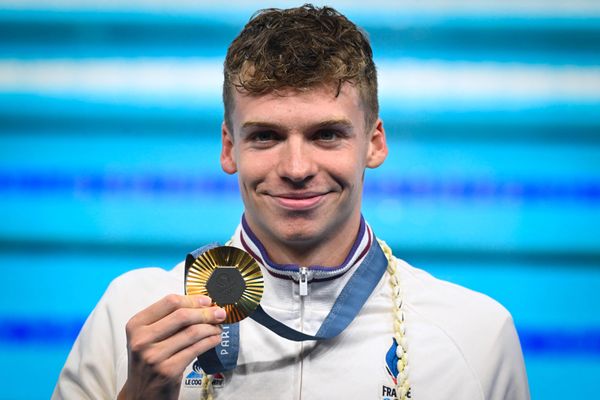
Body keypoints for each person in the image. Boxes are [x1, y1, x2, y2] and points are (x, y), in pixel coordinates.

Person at [53, 4, 529, 400]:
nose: (297, 168)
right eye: (265, 136)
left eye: (326, 134)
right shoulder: (133, 316)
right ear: (228, 148)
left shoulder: (475, 334)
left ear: (374, 143)